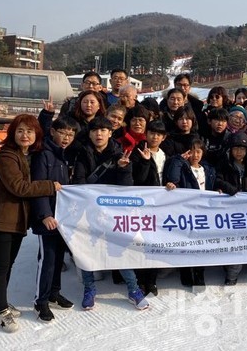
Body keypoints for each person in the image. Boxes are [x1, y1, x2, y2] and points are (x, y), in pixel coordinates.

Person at [0, 114, 61, 333]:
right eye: (20, 131)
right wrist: (49, 186)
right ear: (12, 133)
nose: (25, 135)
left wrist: (46, 117)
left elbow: (52, 138)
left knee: (8, 265)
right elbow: (19, 187)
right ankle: (1, 311)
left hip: (17, 221)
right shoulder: (7, 156)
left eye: (29, 131)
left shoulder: (28, 154)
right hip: (3, 220)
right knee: (1, 267)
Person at [71, 116, 149, 311]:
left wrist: (124, 169)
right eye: (95, 130)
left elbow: (127, 187)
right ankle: (89, 289)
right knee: (86, 249)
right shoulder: (82, 153)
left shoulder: (120, 153)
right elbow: (79, 182)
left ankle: (133, 289)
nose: (99, 134)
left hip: (113, 212)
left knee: (118, 247)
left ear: (110, 133)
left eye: (103, 130)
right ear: (89, 133)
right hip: (88, 210)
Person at [30, 117, 79, 322]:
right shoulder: (43, 155)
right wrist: (45, 215)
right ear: (53, 132)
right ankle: (40, 301)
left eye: (70, 134)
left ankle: (53, 293)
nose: (66, 138)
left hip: (61, 217)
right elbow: (39, 185)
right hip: (47, 218)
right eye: (63, 133)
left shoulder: (62, 155)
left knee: (58, 258)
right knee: (47, 260)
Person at [164, 138, 216, 290]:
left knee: (201, 244)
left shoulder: (208, 169)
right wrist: (180, 159)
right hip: (186, 212)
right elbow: (173, 178)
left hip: (204, 213)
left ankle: (199, 275)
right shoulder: (182, 167)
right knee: (186, 242)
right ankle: (186, 272)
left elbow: (213, 185)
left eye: (198, 151)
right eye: (192, 151)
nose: (195, 155)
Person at [214, 132, 247, 285]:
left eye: (243, 148)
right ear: (230, 150)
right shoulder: (224, 165)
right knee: (234, 243)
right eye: (236, 148)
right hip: (230, 212)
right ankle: (231, 275)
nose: (239, 152)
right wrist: (229, 189)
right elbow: (217, 180)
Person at [130, 120, 169, 296]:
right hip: (142, 204)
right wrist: (145, 161)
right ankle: (140, 280)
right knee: (141, 242)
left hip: (160, 204)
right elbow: (137, 179)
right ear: (146, 134)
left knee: (155, 242)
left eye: (158, 134)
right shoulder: (137, 153)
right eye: (152, 133)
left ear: (163, 138)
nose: (155, 137)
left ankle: (151, 280)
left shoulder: (165, 155)